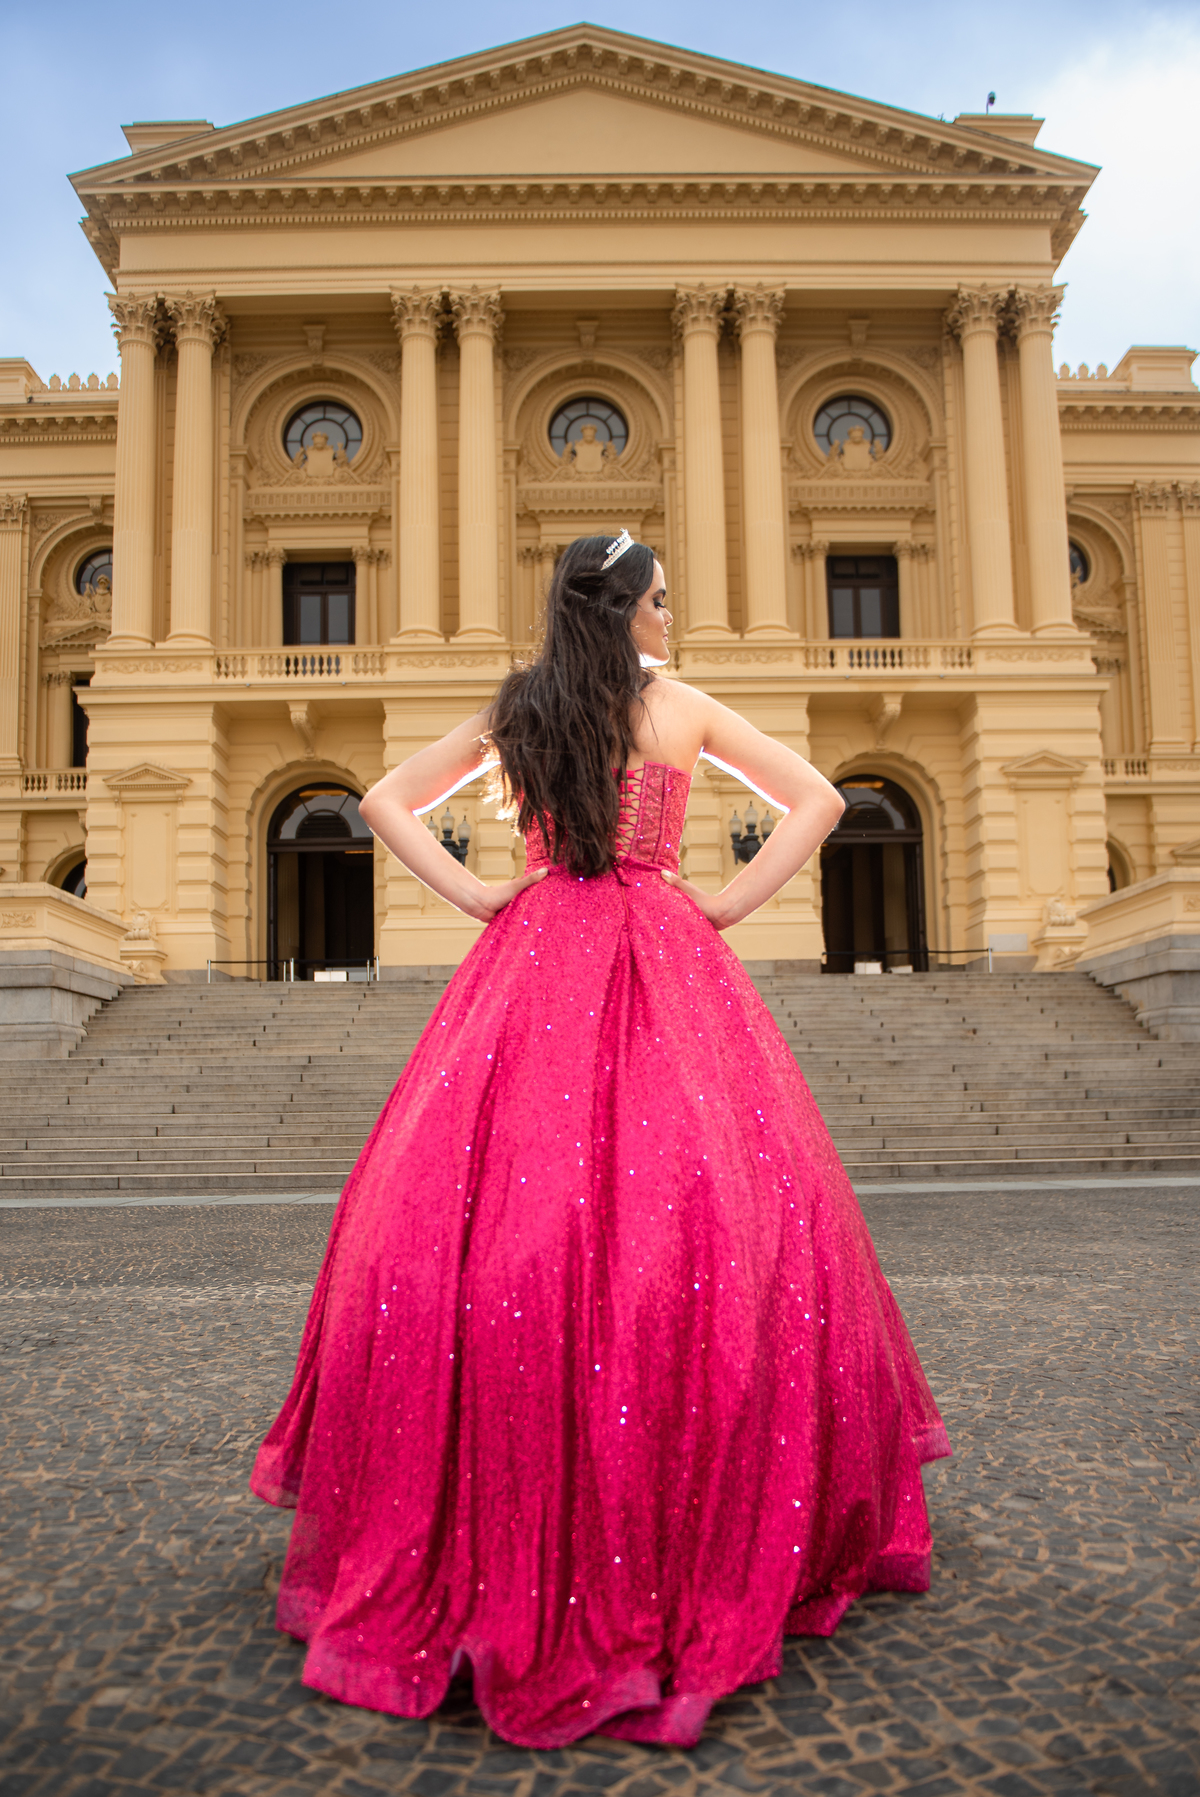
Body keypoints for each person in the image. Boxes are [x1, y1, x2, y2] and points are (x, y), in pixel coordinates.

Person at [251, 531, 950, 1750]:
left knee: (495, 1206)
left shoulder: (519, 709)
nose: (672, 618)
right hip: (665, 949)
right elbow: (823, 798)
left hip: (533, 955)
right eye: (661, 601)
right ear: (623, 609)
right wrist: (721, 905)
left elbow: (382, 801)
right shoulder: (677, 708)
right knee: (712, 1198)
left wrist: (481, 896)